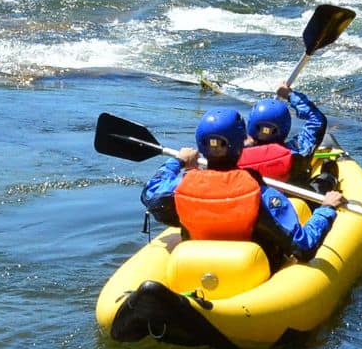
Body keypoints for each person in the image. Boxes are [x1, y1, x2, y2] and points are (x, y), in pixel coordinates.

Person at [141, 107, 345, 265]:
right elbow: (303, 246)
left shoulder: (181, 184)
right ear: (241, 143)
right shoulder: (259, 192)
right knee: (299, 209)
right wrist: (326, 208)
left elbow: (150, 194)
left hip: (192, 265)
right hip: (248, 270)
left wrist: (177, 161)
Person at [237, 90, 329, 184]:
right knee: (327, 176)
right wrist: (289, 95)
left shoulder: (231, 154)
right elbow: (317, 120)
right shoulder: (297, 150)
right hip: (291, 195)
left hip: (252, 194)